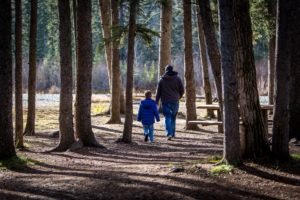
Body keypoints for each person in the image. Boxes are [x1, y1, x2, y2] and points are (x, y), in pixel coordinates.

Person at [156, 64, 184, 140]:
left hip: (165, 101)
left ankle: (169, 133)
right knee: (173, 118)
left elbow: (158, 92)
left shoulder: (162, 80)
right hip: (175, 101)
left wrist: (156, 101)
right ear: (172, 69)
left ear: (166, 70)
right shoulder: (177, 79)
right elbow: (182, 90)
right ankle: (173, 133)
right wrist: (179, 97)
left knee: (167, 117)